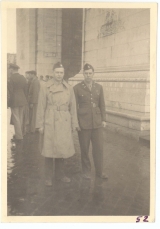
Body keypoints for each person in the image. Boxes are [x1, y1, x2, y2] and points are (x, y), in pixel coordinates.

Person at [36, 62, 79, 186]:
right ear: (53, 72)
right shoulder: (45, 86)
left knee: (61, 149)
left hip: (64, 120)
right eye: (57, 72)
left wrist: (74, 124)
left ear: (64, 73)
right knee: (49, 149)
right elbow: (41, 106)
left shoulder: (69, 88)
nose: (59, 75)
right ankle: (48, 177)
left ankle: (60, 175)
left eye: (61, 72)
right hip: (50, 119)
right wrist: (40, 124)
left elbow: (73, 107)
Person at [74, 63, 108, 179]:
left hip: (97, 123)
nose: (88, 75)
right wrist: (76, 123)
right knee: (84, 149)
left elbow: (102, 104)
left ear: (93, 74)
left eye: (90, 73)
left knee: (99, 148)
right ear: (83, 74)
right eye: (86, 73)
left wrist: (103, 119)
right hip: (83, 123)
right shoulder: (77, 88)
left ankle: (99, 172)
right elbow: (74, 107)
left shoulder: (99, 87)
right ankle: (86, 171)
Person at [8, 63, 28, 143]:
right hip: (23, 99)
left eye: (10, 69)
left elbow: (10, 92)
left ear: (12, 69)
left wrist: (8, 103)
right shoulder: (23, 77)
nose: (9, 70)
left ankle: (19, 137)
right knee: (20, 118)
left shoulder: (11, 78)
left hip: (14, 100)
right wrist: (25, 99)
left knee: (16, 118)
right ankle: (21, 134)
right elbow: (26, 90)